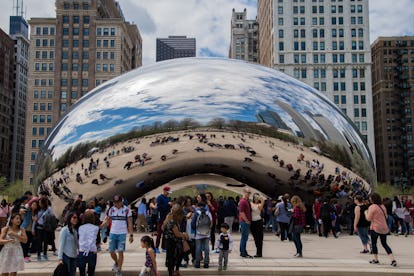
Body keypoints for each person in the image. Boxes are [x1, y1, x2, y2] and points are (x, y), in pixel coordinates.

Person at [103, 195, 134, 276]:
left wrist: (131, 235)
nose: (116, 204)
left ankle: (119, 270)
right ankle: (116, 262)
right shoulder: (111, 209)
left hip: (122, 233)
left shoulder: (127, 210)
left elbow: (130, 223)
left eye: (118, 202)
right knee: (111, 251)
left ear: (121, 201)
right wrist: (100, 227)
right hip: (112, 233)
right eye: (115, 202)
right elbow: (107, 221)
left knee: (120, 251)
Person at [365, 192, 397, 267]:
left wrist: (366, 213)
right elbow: (386, 217)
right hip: (383, 227)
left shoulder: (372, 207)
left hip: (375, 227)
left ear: (373, 199)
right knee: (384, 244)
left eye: (370, 198)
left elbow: (368, 218)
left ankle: (376, 260)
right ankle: (392, 260)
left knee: (374, 244)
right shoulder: (383, 206)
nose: (369, 199)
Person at [163, 204, 188, 276]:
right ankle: (172, 272)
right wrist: (184, 235)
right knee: (172, 258)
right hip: (172, 242)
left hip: (173, 241)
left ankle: (175, 271)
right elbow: (176, 233)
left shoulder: (172, 218)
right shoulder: (171, 220)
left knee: (175, 257)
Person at [78, 210, 100, 276]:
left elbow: (79, 238)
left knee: (82, 272)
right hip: (92, 251)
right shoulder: (96, 228)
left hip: (82, 251)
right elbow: (98, 240)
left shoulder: (80, 228)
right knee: (91, 272)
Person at [191, 201, 212, 269]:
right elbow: (211, 223)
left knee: (198, 248)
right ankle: (206, 263)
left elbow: (193, 224)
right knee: (206, 248)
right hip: (207, 233)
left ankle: (197, 263)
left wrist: (195, 230)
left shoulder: (196, 213)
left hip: (198, 234)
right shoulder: (208, 213)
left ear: (198, 206)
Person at [155, 186, 172, 253]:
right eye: (167, 192)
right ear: (164, 191)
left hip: (166, 218)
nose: (168, 194)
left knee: (165, 234)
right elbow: (159, 207)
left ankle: (163, 247)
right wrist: (167, 205)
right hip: (161, 218)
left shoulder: (167, 198)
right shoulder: (160, 198)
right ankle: (156, 247)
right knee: (159, 233)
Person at [238, 187, 252, 258]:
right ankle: (243, 252)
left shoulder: (246, 201)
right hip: (244, 222)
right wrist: (246, 220)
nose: (249, 194)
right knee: (244, 237)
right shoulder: (243, 201)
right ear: (244, 192)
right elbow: (241, 212)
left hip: (245, 221)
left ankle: (243, 251)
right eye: (248, 192)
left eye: (250, 193)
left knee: (244, 237)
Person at [250, 193, 265, 257]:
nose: (256, 199)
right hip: (252, 222)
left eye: (257, 197)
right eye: (255, 197)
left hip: (258, 221)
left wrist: (262, 200)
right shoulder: (250, 203)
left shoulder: (259, 204)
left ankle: (259, 253)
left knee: (259, 238)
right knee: (255, 237)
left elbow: (260, 208)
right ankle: (258, 251)